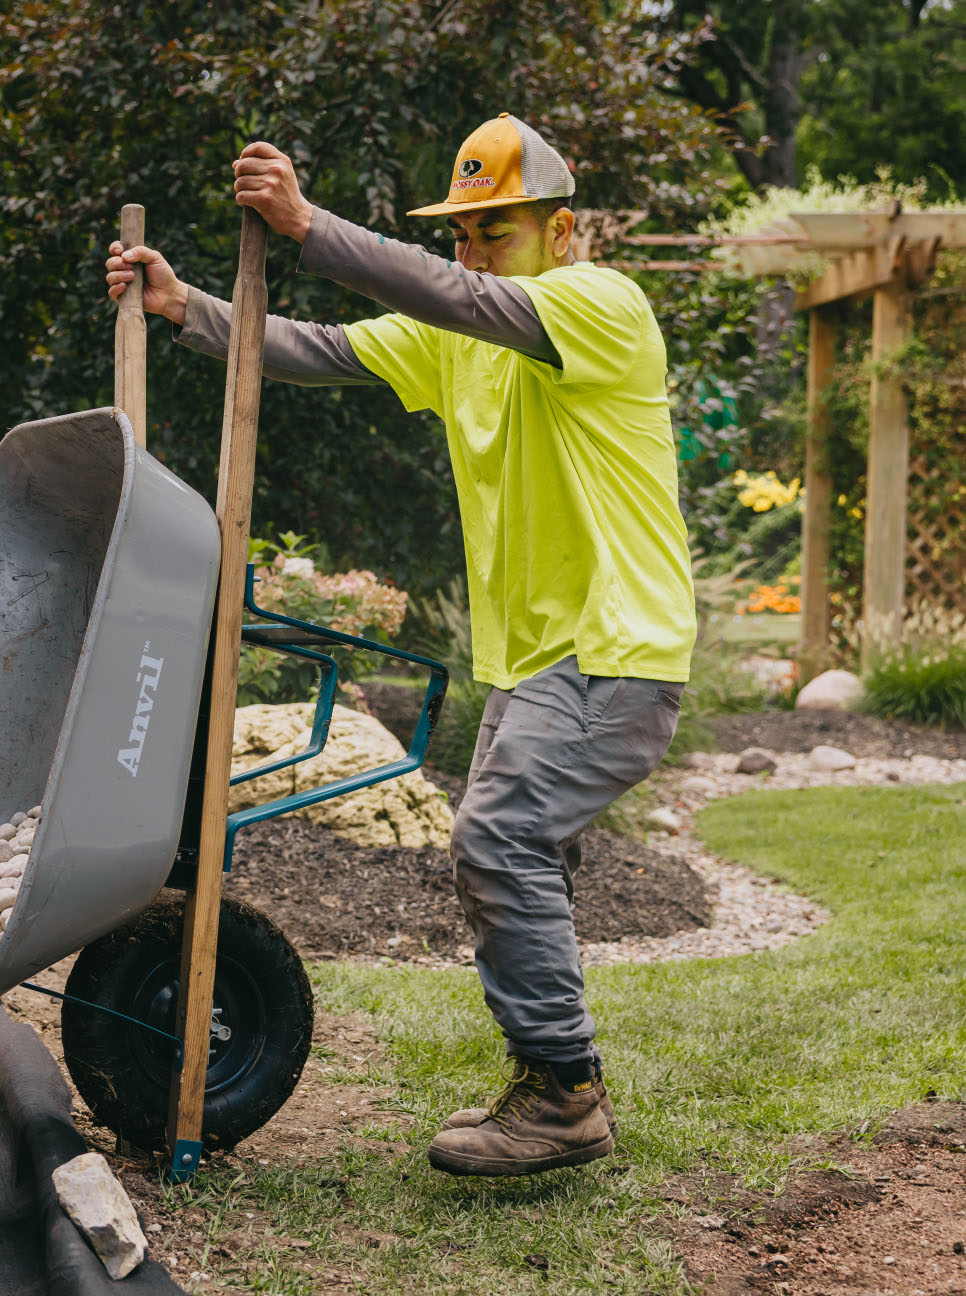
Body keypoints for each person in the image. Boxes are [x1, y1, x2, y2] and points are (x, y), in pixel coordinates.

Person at [105, 114, 695, 1177]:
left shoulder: (602, 305)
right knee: (517, 855)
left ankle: (565, 1092)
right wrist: (185, 307)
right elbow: (318, 349)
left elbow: (457, 297)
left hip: (615, 643)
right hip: (535, 656)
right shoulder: (464, 326)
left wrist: (306, 225)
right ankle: (551, 1077)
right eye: (460, 233)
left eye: (495, 230)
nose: (471, 252)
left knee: (498, 839)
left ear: (562, 231)